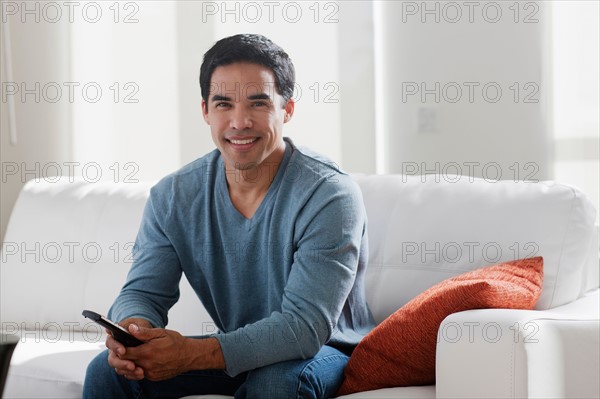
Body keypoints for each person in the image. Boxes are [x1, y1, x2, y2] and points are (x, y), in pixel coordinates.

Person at [83, 33, 375, 399]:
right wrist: (134, 332)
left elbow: (303, 328)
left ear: (287, 110)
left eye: (258, 103)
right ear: (205, 110)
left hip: (323, 351)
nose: (239, 122)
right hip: (240, 349)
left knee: (275, 382)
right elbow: (143, 291)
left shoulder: (329, 194)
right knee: (108, 374)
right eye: (223, 104)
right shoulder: (173, 196)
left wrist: (189, 354)